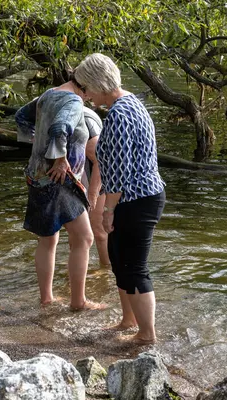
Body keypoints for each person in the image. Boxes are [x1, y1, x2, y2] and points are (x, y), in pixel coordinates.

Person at [73, 53, 166, 344]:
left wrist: (108, 209)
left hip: (136, 199)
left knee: (134, 266)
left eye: (87, 87)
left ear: (100, 83)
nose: (86, 94)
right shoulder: (130, 103)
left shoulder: (120, 114)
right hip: (138, 195)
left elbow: (121, 169)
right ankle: (128, 321)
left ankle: (146, 334)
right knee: (117, 257)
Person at [15, 79, 104, 311]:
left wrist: (36, 142)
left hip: (37, 176)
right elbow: (60, 128)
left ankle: (47, 299)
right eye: (94, 89)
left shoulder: (48, 94)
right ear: (86, 84)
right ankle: (79, 302)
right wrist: (60, 158)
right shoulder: (74, 101)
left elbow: (21, 116)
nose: (94, 96)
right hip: (61, 180)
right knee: (84, 238)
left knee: (48, 239)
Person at [81, 108, 110, 268]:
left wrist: (92, 194)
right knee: (78, 234)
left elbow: (101, 161)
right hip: (80, 180)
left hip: (99, 180)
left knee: (99, 231)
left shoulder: (85, 123)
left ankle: (107, 269)